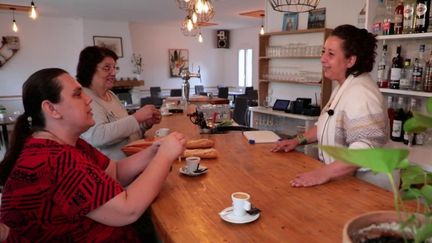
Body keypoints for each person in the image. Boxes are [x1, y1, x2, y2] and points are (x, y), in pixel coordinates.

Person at [0, 68, 186, 241]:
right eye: (77, 94)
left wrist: (153, 151)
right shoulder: (53, 159)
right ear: (51, 109)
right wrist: (164, 157)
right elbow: (128, 210)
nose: (88, 99)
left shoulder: (69, 144)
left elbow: (115, 172)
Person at [271, 25, 389, 188]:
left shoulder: (362, 93)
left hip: (368, 185)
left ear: (350, 60)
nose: (323, 59)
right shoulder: (344, 86)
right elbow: (324, 125)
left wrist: (324, 173)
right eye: (323, 51)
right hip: (345, 179)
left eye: (331, 54)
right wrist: (296, 141)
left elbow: (365, 149)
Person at [76, 46, 161, 160]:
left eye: (115, 68)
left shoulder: (111, 95)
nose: (114, 72)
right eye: (107, 68)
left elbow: (126, 134)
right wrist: (136, 118)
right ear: (89, 69)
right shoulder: (84, 98)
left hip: (133, 161)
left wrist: (144, 124)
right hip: (111, 172)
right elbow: (98, 136)